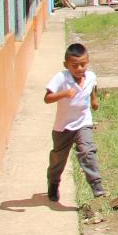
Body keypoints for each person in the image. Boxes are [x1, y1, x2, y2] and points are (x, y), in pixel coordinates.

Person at [44, 43, 105, 201]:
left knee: (87, 151)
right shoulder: (61, 78)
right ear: (66, 65)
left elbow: (92, 87)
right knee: (58, 158)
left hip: (83, 123)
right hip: (63, 127)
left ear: (88, 62)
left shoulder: (90, 76)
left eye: (83, 64)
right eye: (75, 65)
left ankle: (97, 186)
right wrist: (64, 94)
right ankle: (53, 183)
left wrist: (94, 100)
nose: (79, 68)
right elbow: (47, 98)